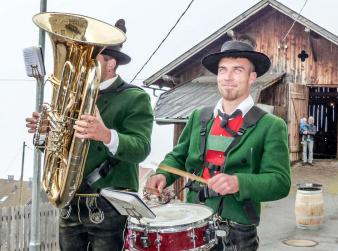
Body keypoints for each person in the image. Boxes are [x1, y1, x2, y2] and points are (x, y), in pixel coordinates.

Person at [146, 39, 291, 250]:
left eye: (237, 70)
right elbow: (178, 156)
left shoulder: (270, 125)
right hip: (192, 224)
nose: (228, 77)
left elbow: (280, 182)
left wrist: (238, 182)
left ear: (252, 77)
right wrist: (163, 175)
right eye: (223, 70)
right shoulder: (199, 116)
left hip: (237, 232)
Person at [25, 19, 153, 251]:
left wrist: (106, 135)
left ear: (111, 64)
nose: (82, 64)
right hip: (71, 201)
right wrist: (47, 133)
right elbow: (59, 148)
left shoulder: (134, 97)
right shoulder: (72, 95)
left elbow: (141, 148)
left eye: (91, 59)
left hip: (109, 204)